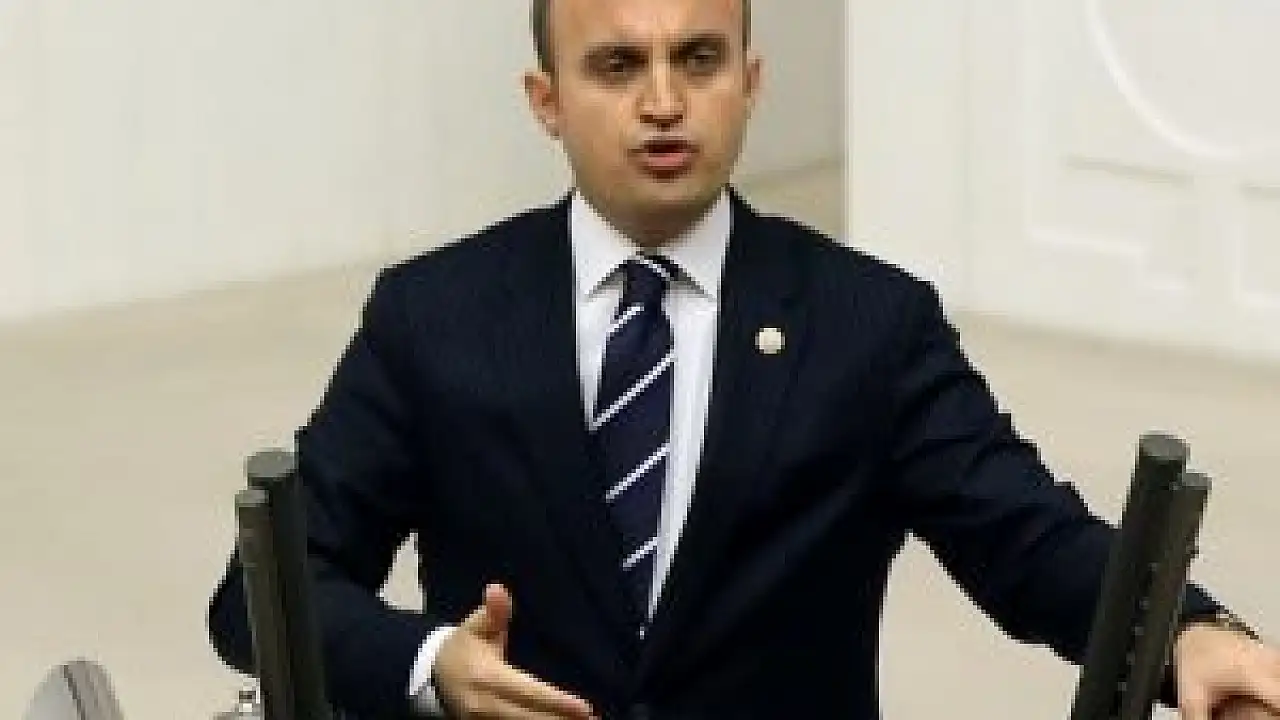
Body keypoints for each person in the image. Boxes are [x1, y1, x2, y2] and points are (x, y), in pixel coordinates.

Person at [207, 0, 1280, 718]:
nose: (663, 101)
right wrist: (429, 664)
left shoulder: (870, 325)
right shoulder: (434, 317)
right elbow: (262, 596)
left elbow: (1027, 540)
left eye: (698, 59)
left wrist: (1190, 633)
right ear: (546, 100)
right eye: (617, 65)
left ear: (750, 80)